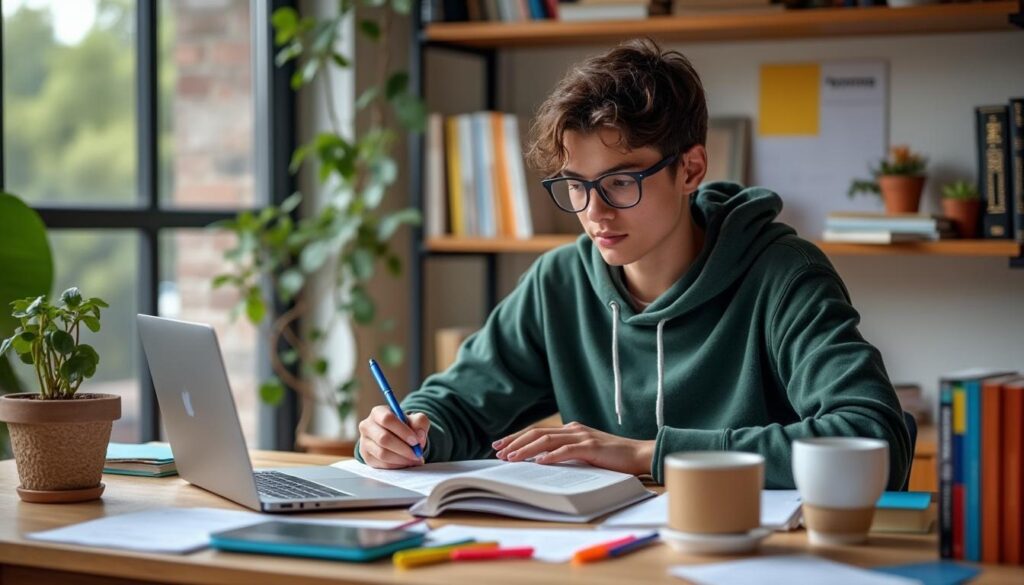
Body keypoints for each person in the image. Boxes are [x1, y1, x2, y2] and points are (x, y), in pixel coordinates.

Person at [355, 38, 911, 489]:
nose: (594, 212)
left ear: (691, 170)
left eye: (620, 181)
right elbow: (455, 404)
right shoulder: (560, 282)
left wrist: (647, 454)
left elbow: (872, 437)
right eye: (576, 185)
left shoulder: (782, 274)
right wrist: (402, 435)